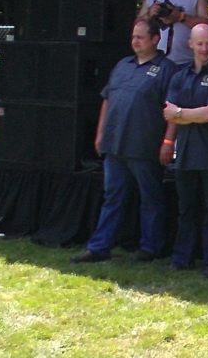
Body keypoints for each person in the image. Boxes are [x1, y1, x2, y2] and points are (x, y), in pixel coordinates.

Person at [72, 19, 177, 264]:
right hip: (114, 144)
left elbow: (173, 108)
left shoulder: (166, 69)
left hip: (144, 145)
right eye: (133, 37)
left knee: (150, 197)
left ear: (155, 39)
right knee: (113, 196)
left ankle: (150, 247)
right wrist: (100, 134)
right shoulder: (122, 65)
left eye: (141, 37)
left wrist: (168, 141)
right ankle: (100, 247)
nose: (135, 41)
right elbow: (107, 100)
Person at [160, 23, 208, 277]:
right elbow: (169, 114)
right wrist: (193, 117)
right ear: (190, 44)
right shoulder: (179, 76)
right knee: (186, 209)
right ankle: (182, 258)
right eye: (200, 43)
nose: (205, 48)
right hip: (186, 156)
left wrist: (182, 113)